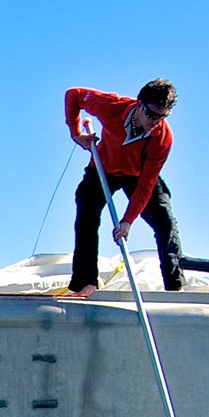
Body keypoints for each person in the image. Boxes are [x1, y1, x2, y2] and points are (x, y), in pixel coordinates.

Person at [65, 80, 184, 296]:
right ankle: (85, 282)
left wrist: (127, 220)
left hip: (138, 175)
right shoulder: (111, 106)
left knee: (165, 221)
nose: (155, 122)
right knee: (86, 214)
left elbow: (147, 184)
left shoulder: (163, 139)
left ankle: (175, 286)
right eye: (151, 115)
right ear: (140, 104)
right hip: (104, 167)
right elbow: (73, 95)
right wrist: (76, 133)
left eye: (162, 117)